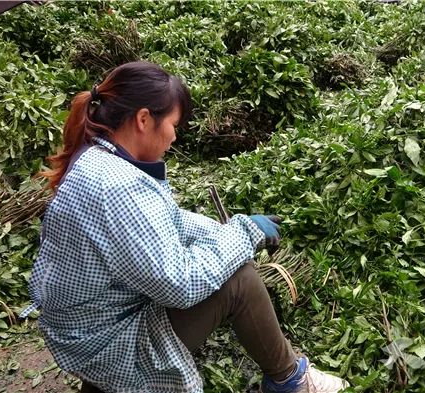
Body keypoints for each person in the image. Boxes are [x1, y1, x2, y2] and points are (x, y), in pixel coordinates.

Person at [22, 61, 349, 393]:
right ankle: (290, 381)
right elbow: (179, 283)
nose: (175, 136)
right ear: (144, 119)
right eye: (174, 125)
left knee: (225, 260)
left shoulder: (99, 158)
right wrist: (243, 235)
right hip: (105, 342)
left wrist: (230, 232)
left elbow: (171, 220)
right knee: (240, 280)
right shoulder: (119, 187)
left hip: (85, 329)